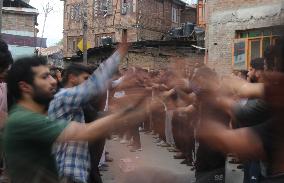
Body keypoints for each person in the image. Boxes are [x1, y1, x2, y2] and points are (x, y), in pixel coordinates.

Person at [4, 55, 152, 183]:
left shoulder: (34, 114)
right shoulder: (23, 120)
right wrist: (134, 111)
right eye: (44, 77)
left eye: (50, 75)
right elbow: (85, 131)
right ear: (25, 87)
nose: (54, 81)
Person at [48, 43, 128, 183]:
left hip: (77, 168)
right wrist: (117, 55)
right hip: (68, 172)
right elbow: (94, 85)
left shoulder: (75, 100)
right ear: (72, 77)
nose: (87, 83)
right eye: (85, 79)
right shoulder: (63, 97)